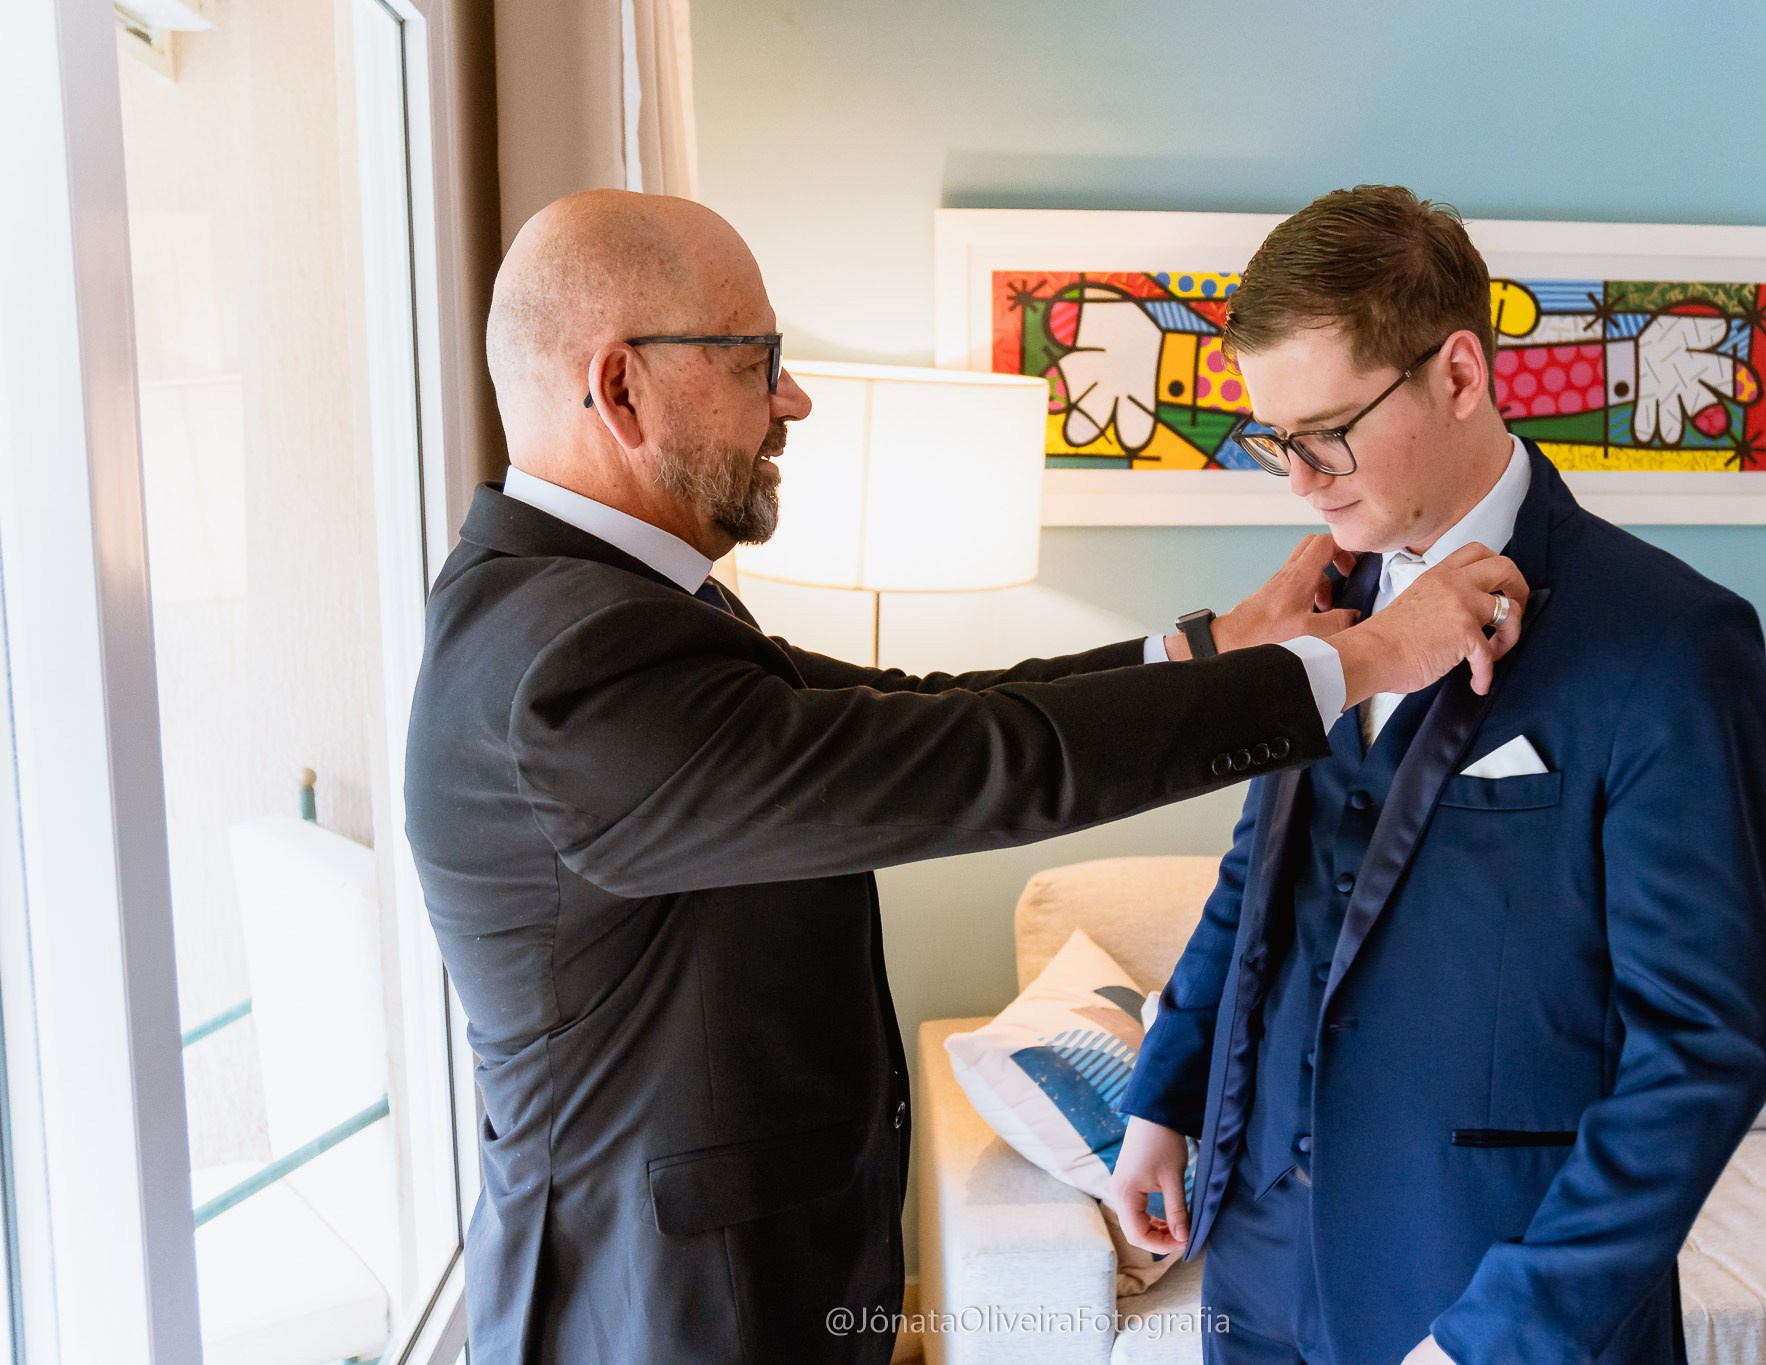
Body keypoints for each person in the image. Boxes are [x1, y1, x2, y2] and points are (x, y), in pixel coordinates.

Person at [402, 189, 1530, 1365]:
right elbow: (972, 765)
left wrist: (1210, 649)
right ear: (621, 387)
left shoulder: (601, 608)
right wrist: (1356, 661)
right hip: (669, 1313)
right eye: (756, 361)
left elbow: (920, 708)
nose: (790, 398)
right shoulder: (572, 664)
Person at [1109, 185, 1766, 1365]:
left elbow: (1699, 1050)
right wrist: (1162, 1100)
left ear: (1459, 375)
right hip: (1259, 1270)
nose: (1299, 482)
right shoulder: (1319, 600)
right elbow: (1255, 879)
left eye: (1326, 434)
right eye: (1273, 442)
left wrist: (1501, 1336)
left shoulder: (1669, 643)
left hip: (1480, 1292)